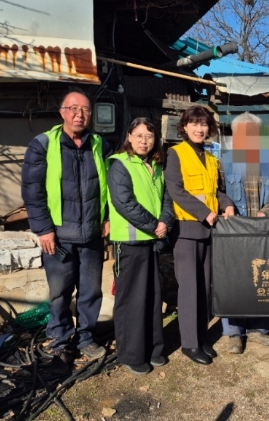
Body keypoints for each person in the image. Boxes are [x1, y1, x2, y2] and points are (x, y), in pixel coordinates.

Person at [21, 87, 111, 365]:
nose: (79, 114)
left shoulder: (100, 145)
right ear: (62, 113)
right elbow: (33, 190)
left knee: (91, 291)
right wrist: (43, 229)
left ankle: (86, 338)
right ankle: (60, 340)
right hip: (58, 236)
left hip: (92, 233)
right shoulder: (43, 144)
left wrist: (107, 218)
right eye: (73, 109)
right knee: (60, 292)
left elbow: (110, 186)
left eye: (85, 109)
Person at [165, 105, 235, 365]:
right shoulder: (175, 154)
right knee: (189, 289)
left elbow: (216, 191)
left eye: (203, 124)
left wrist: (227, 204)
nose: (199, 129)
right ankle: (190, 343)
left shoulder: (210, 158)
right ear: (184, 127)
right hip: (186, 231)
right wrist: (205, 212)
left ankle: (201, 336)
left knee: (205, 289)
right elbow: (176, 190)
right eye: (194, 123)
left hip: (209, 232)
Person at [107, 118, 175, 375]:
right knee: (131, 300)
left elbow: (166, 197)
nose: (144, 141)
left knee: (152, 297)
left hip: (152, 241)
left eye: (149, 136)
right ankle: (132, 354)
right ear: (129, 137)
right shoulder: (119, 164)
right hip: (130, 242)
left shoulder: (155, 165)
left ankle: (153, 348)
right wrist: (154, 225)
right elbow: (124, 202)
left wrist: (165, 221)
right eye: (139, 136)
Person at [220, 113, 269, 354]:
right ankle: (235, 332)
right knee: (233, 282)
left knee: (261, 278)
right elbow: (216, 192)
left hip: (262, 233)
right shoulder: (223, 162)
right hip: (234, 234)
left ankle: (258, 329)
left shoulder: (268, 162)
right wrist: (226, 205)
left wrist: (267, 212)